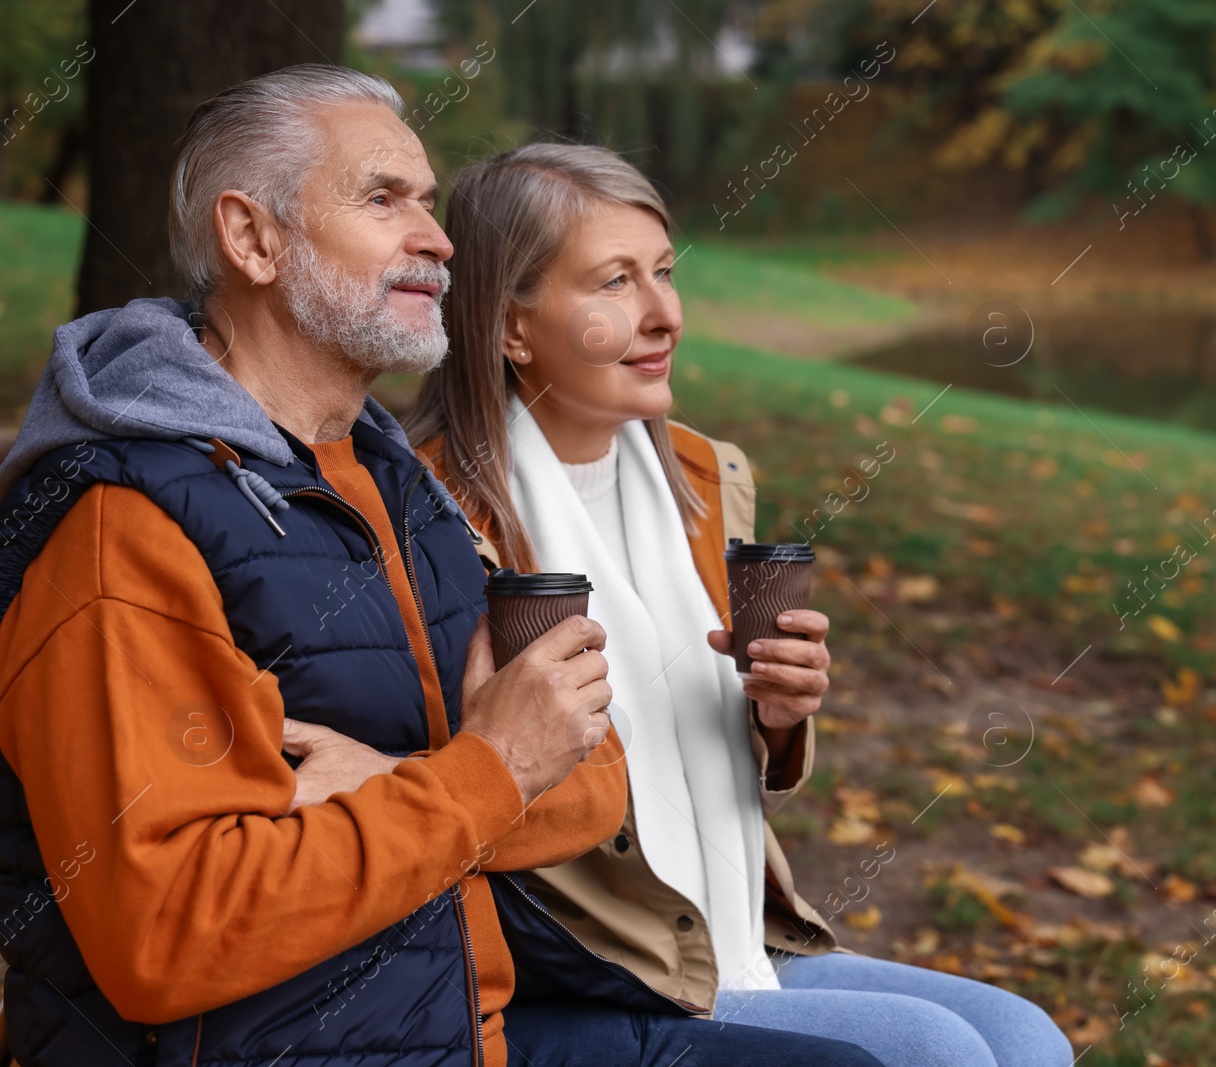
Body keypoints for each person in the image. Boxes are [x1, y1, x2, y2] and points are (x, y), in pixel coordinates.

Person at [0, 66, 884, 1067]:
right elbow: (166, 932)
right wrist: (484, 773)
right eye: (383, 199)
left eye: (427, 200)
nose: (438, 238)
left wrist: (439, 778)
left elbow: (589, 778)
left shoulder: (392, 490)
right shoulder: (128, 521)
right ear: (252, 238)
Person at [399, 142, 1076, 1067]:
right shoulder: (434, 516)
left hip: (731, 934)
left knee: (1024, 1038)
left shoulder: (707, 476)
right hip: (586, 965)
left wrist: (781, 711)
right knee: (937, 1054)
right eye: (615, 283)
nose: (664, 314)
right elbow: (444, 778)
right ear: (511, 328)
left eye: (666, 274)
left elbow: (731, 750)